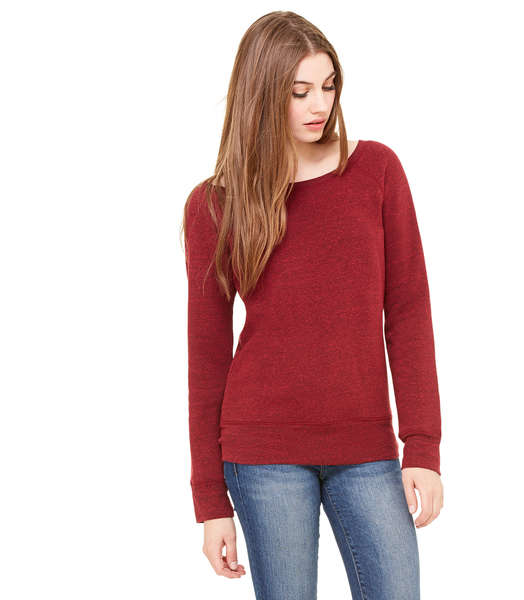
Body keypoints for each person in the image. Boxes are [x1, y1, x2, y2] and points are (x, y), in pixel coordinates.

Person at [182, 10, 443, 600]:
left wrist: (422, 445)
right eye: (298, 92)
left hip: (367, 446)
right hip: (261, 452)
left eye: (328, 86)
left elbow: (408, 312)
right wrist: (210, 501)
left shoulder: (375, 169)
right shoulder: (215, 205)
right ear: (260, 93)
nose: (319, 105)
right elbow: (207, 359)